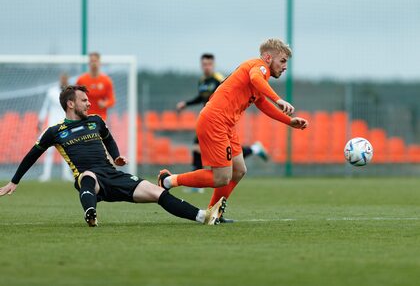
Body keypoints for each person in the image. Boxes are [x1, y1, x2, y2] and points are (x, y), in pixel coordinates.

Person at [0, 85, 226, 227]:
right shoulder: (54, 131)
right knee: (87, 176)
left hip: (113, 175)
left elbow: (108, 139)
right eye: (83, 100)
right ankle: (91, 213)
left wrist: (116, 157)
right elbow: (32, 154)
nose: (89, 103)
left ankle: (202, 217)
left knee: (156, 191)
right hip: (91, 181)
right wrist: (14, 181)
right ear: (70, 104)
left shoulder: (96, 121)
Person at [158, 38, 308, 222]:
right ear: (268, 58)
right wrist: (278, 99)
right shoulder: (259, 67)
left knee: (239, 170)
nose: (285, 66)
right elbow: (255, 78)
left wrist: (289, 121)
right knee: (221, 177)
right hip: (215, 121)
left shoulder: (260, 74)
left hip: (226, 124)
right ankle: (168, 181)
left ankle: (214, 214)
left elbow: (261, 102)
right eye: (283, 61)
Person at [176, 53, 269, 193]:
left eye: (209, 64)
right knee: (199, 149)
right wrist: (186, 104)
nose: (206, 67)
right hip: (209, 119)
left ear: (213, 65)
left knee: (223, 158)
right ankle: (254, 149)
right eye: (204, 64)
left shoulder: (218, 79)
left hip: (220, 119)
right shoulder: (202, 81)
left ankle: (254, 149)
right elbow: (200, 98)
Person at [38, 73, 73, 182]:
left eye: (65, 78)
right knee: (49, 149)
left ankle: (66, 174)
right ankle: (46, 174)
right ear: (60, 79)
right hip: (52, 124)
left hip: (66, 124)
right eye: (62, 78)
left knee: (67, 149)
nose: (64, 80)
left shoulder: (72, 93)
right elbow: (45, 106)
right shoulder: (52, 91)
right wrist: (41, 120)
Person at [76, 52, 115, 121]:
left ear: (100, 63)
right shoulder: (81, 80)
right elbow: (75, 98)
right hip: (84, 117)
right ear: (89, 63)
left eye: (95, 61)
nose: (94, 63)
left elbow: (112, 100)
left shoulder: (106, 81)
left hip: (101, 118)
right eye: (92, 61)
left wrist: (105, 103)